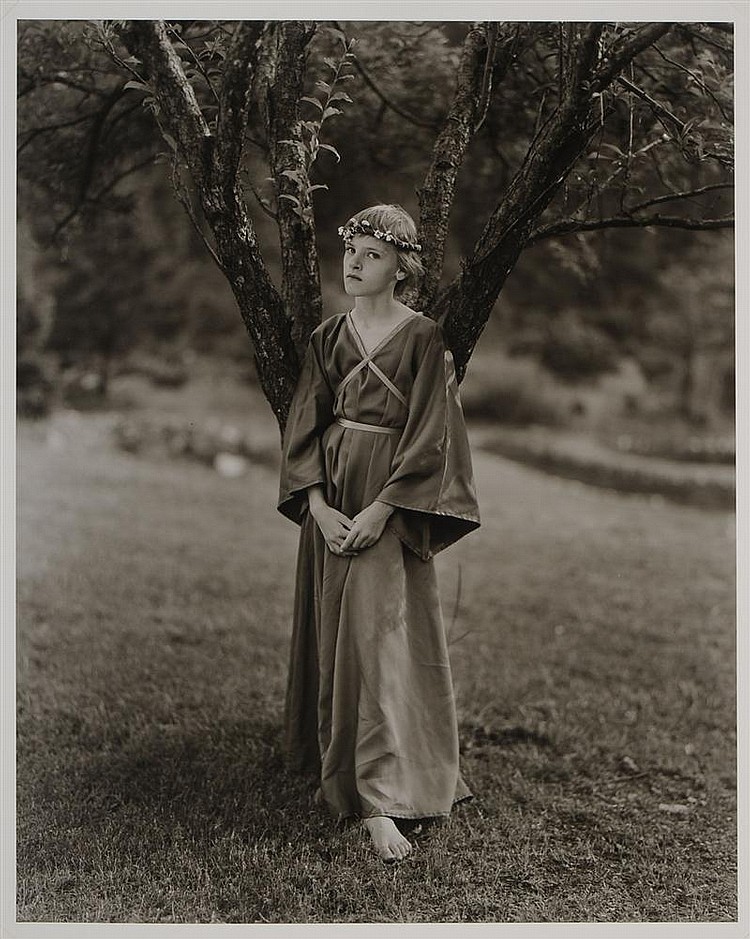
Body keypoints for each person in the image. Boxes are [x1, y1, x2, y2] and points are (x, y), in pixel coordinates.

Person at [277, 204, 480, 863]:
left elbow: (432, 435)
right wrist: (317, 505)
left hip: (389, 501)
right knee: (339, 636)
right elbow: (303, 425)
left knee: (383, 642)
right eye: (352, 251)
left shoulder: (423, 338)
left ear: (402, 266)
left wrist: (383, 509)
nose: (355, 262)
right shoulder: (327, 337)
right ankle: (342, 772)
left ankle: (383, 798)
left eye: (372, 254)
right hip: (333, 500)